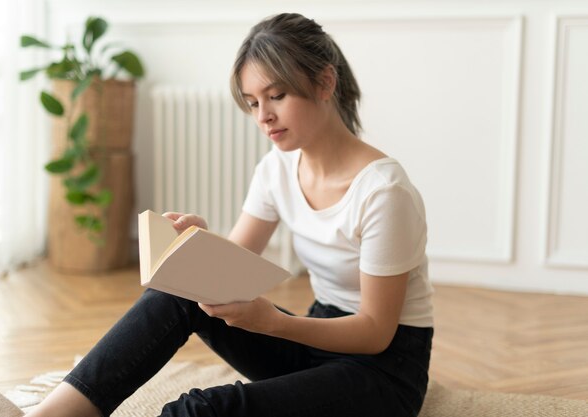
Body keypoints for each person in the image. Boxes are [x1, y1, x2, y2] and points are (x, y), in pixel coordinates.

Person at [27, 12, 434, 417]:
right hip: (318, 339)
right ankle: (58, 413)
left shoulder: (383, 192)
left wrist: (273, 322)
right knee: (181, 288)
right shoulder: (277, 168)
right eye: (253, 102)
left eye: (276, 96)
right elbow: (233, 263)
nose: (263, 117)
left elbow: (375, 333)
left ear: (325, 82)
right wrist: (200, 247)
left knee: (205, 410)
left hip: (385, 369)